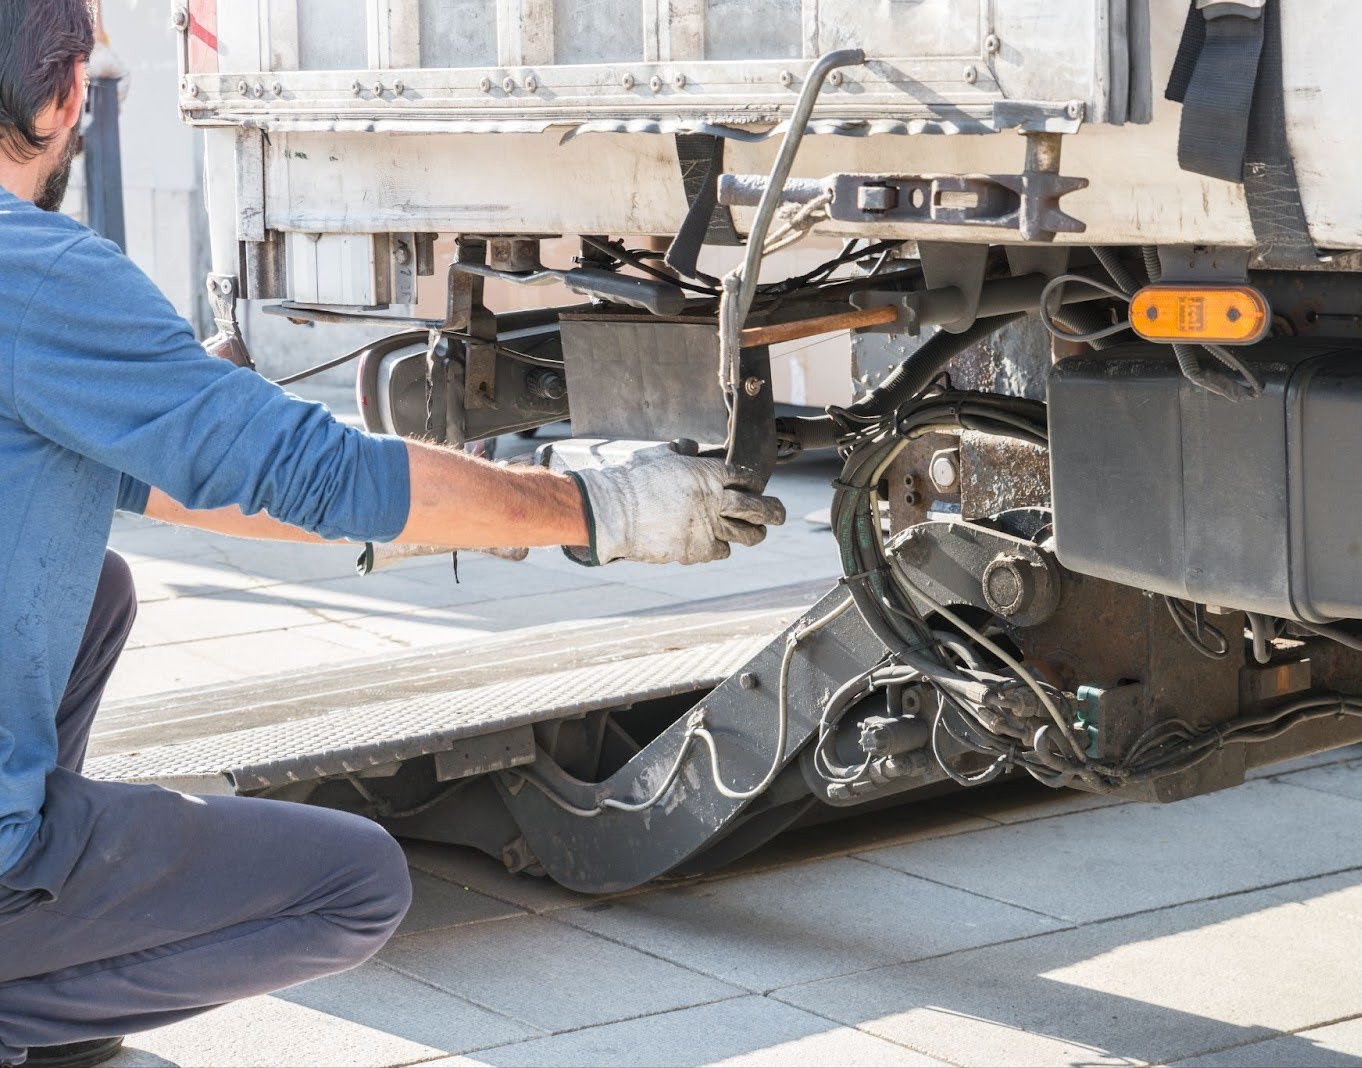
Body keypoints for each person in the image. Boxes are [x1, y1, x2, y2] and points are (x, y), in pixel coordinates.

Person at [0, 3, 785, 1065]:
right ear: (65, 98)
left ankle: (45, 945)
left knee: (97, 589)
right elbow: (306, 472)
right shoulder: (38, 276)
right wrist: (595, 509)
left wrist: (407, 525)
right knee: (354, 885)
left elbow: (162, 480)